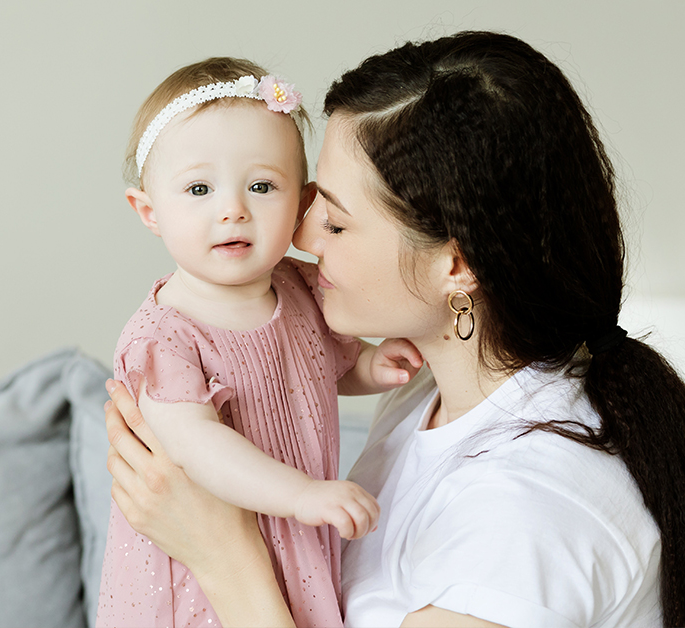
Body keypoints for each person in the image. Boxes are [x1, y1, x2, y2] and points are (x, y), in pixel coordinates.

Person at [103, 32, 685, 628]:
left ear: (455, 263)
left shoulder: (524, 519)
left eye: (332, 221)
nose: (298, 238)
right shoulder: (432, 395)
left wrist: (223, 555)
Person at [97, 57, 423, 628]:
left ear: (302, 204)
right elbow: (195, 445)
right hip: (200, 561)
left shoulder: (300, 288)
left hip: (293, 537)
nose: (232, 209)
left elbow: (320, 369)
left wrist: (371, 366)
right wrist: (300, 495)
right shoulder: (163, 337)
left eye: (262, 185)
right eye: (199, 188)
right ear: (149, 211)